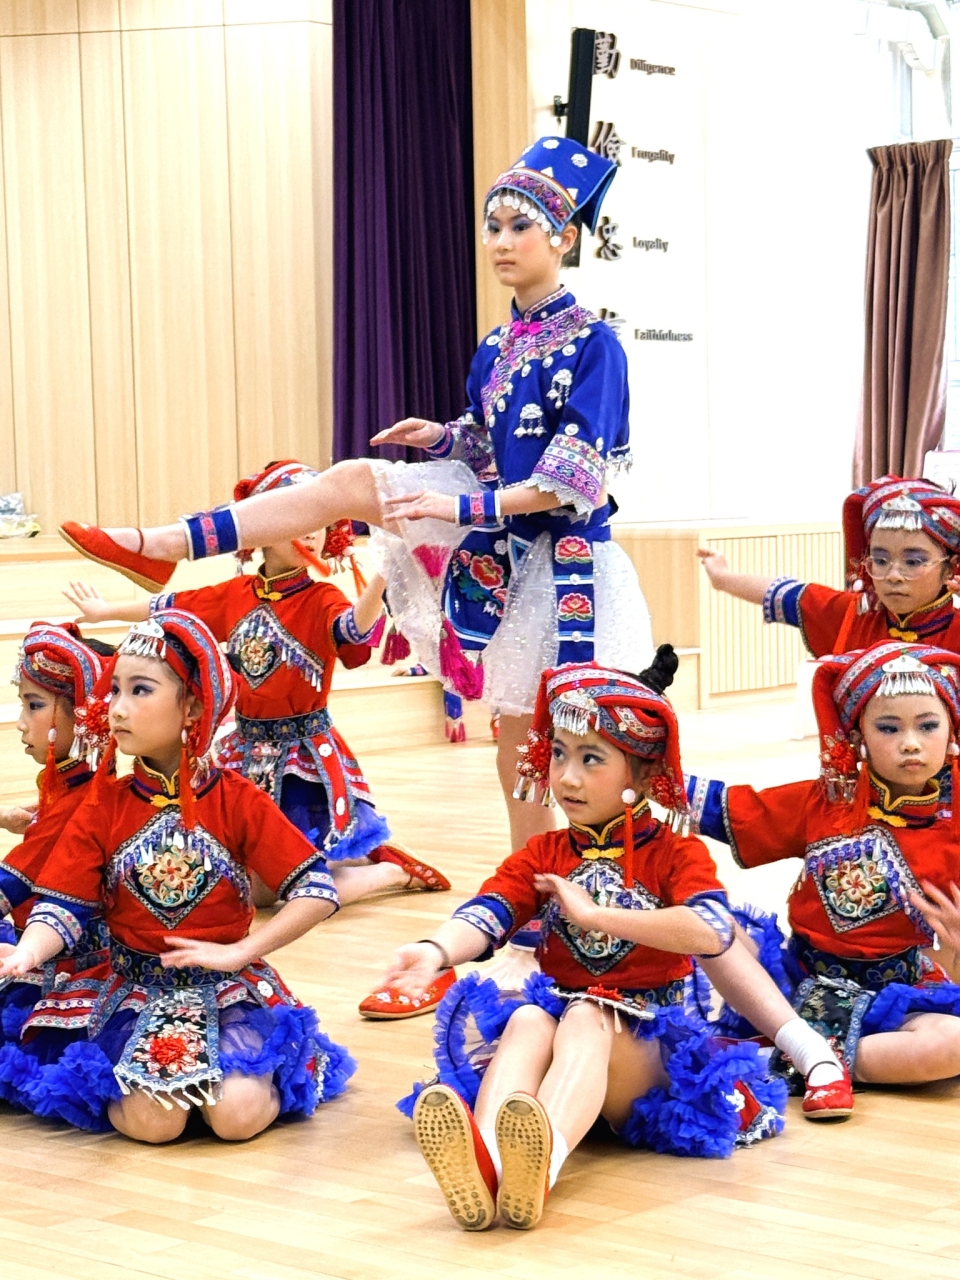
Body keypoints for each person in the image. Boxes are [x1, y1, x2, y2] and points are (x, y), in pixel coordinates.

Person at [58, 137, 654, 852]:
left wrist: (455, 507)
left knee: (570, 747)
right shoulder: (495, 348)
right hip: (499, 541)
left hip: (561, 564)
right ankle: (163, 544)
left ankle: (613, 873)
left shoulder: (595, 345)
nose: (500, 242)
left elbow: (569, 481)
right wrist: (442, 437)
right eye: (492, 226)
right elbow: (489, 444)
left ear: (564, 238)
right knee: (513, 742)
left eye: (519, 226)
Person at [379, 654, 847, 1233]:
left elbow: (711, 930)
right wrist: (435, 950)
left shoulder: (676, 853)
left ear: (644, 777)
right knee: (527, 1017)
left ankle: (540, 1166)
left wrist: (598, 914)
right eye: (558, 754)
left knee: (588, 1016)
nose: (567, 777)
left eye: (590, 759)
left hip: (647, 1050)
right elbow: (489, 911)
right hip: (566, 1039)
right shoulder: (546, 853)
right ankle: (491, 1162)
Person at [66, 459, 454, 1020]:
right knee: (254, 884)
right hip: (244, 751)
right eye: (298, 517)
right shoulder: (234, 594)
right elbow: (168, 608)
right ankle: (368, 868)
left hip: (303, 760)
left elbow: (353, 636)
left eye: (320, 523)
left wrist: (379, 581)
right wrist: (105, 612)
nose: (311, 531)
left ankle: (387, 871)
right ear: (265, 527)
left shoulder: (321, 598)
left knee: (275, 892)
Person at [0, 611, 355, 1142]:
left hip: (226, 989)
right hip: (133, 990)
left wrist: (243, 950)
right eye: (114, 691)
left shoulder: (237, 799)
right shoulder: (103, 805)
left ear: (191, 706)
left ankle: (235, 1084)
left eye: (139, 691)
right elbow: (62, 905)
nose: (117, 709)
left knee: (235, 1118)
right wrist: (26, 954)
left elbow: (316, 890)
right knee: (155, 1124)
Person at [684, 641, 960, 1094]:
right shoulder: (825, 801)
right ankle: (807, 1050)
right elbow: (734, 812)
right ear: (858, 737)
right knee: (711, 928)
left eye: (927, 726)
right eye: (888, 728)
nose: (911, 743)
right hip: (801, 982)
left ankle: (792, 1058)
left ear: (951, 731)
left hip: (904, 993)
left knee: (952, 1044)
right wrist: (648, 773)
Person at [0, 623, 114, 1108]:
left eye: (34, 705)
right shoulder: (72, 784)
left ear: (84, 715)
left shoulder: (81, 799)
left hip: (66, 962)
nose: (20, 723)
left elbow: (9, 886)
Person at [698, 476, 960, 656]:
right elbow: (784, 593)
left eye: (913, 562)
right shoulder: (852, 616)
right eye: (880, 561)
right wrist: (722, 578)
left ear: (950, 568)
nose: (893, 575)